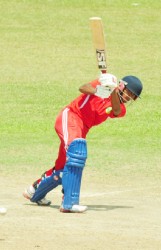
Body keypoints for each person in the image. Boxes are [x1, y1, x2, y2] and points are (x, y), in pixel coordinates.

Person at [23, 73, 143, 212]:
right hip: (71, 116)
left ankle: (35, 191)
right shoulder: (104, 82)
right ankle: (69, 202)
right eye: (130, 93)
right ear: (122, 86)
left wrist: (112, 92)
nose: (130, 98)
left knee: (62, 167)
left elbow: (116, 109)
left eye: (133, 97)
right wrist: (99, 89)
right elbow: (83, 88)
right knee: (77, 154)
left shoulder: (120, 108)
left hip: (81, 129)